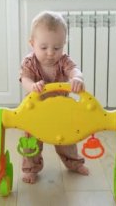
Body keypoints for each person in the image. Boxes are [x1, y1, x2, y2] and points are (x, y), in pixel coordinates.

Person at [19, 11, 89, 184]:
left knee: (67, 139)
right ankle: (31, 169)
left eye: (57, 48)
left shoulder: (63, 61)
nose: (50, 53)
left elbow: (75, 70)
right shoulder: (29, 62)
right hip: (36, 111)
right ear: (32, 43)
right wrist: (32, 87)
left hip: (60, 110)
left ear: (63, 45)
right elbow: (25, 79)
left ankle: (74, 163)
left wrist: (77, 78)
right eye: (44, 48)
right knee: (30, 142)